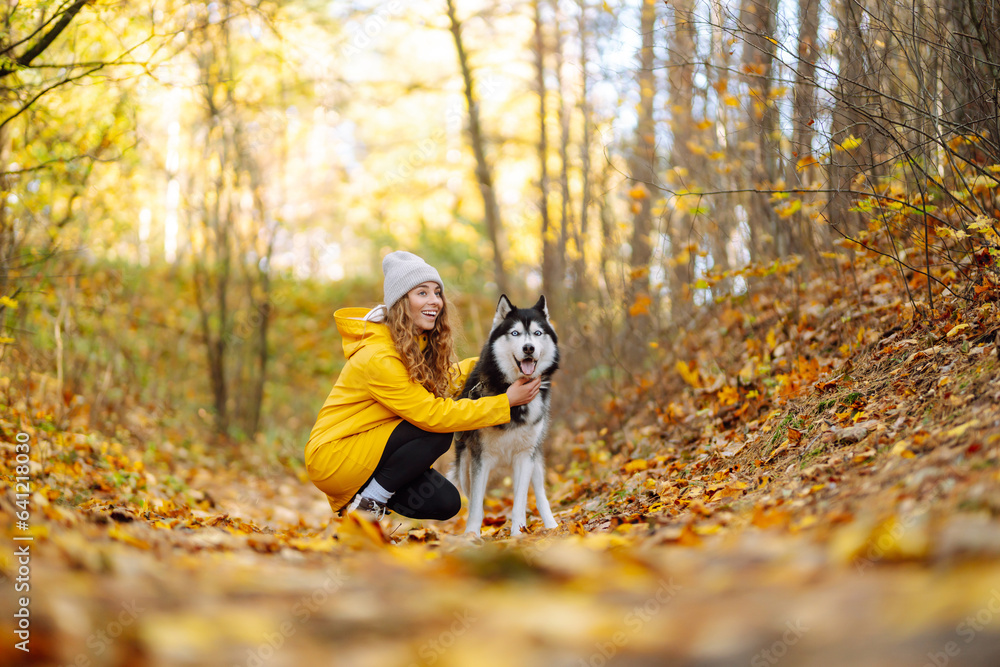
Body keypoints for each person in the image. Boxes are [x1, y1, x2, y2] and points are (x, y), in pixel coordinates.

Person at [304, 251, 541, 523]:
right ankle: (368, 507)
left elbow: (446, 381)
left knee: (445, 502)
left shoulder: (413, 346)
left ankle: (366, 501)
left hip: (367, 453)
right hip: (335, 457)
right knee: (437, 431)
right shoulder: (378, 356)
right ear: (401, 302)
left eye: (437, 292)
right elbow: (432, 414)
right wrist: (505, 402)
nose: (435, 301)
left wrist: (495, 364)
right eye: (422, 293)